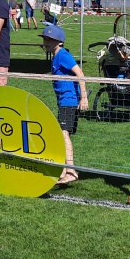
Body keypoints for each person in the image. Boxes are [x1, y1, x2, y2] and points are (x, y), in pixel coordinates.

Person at [39, 25, 89, 184]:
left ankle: (71, 171)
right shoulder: (56, 56)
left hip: (69, 100)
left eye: (49, 39)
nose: (46, 42)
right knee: (63, 134)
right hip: (64, 100)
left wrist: (84, 97)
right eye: (45, 39)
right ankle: (62, 170)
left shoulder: (63, 55)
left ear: (59, 42)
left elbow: (80, 73)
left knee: (63, 133)